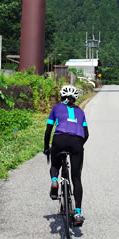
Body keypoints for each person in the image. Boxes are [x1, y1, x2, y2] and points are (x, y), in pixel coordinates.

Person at [44, 84, 89, 226]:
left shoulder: (56, 108)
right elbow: (86, 133)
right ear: (75, 98)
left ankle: (54, 181)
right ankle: (78, 212)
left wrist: (46, 147)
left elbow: (48, 130)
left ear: (61, 96)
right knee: (76, 177)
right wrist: (78, 146)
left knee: (55, 164)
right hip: (77, 141)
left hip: (60, 139)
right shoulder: (80, 112)